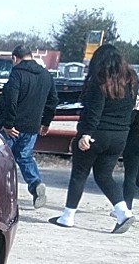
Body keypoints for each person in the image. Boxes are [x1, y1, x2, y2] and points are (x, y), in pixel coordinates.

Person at [51, 43, 137, 233]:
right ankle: (124, 212)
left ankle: (67, 216)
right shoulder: (132, 80)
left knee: (79, 174)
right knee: (104, 175)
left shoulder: (99, 81)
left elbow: (94, 111)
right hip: (120, 136)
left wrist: (86, 134)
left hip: (96, 134)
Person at [0, 44, 58, 208]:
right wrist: (46, 122)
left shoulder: (16, 75)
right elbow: (53, 101)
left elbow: (11, 100)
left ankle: (3, 195)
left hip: (12, 128)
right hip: (32, 127)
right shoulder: (46, 75)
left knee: (4, 159)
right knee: (24, 156)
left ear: (15, 58)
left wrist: (8, 124)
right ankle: (36, 183)